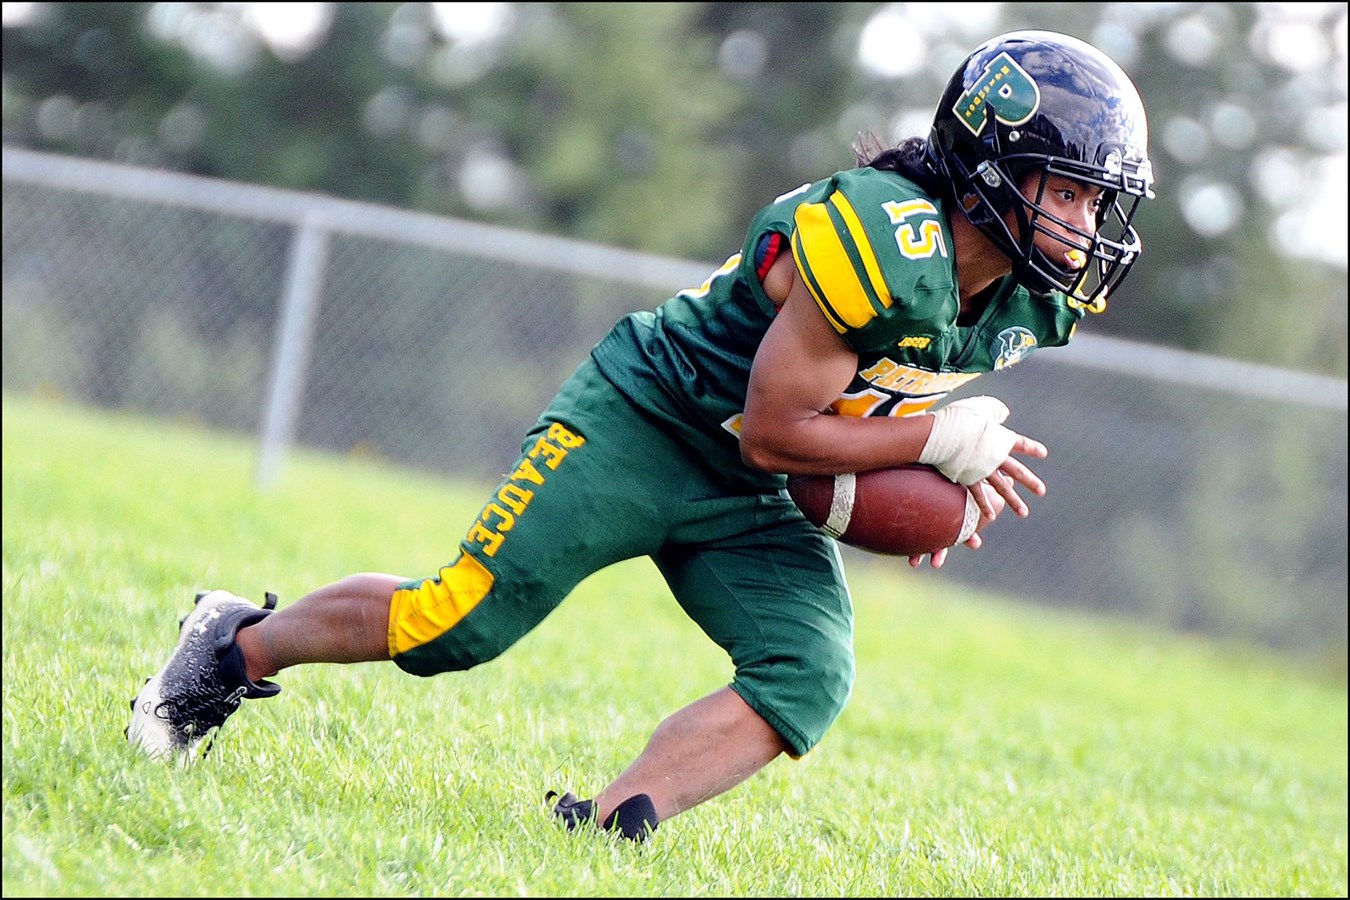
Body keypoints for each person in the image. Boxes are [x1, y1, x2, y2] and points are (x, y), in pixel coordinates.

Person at [126, 30, 1154, 842]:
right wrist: (930, 443)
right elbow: (772, 427)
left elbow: (845, 414)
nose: (1083, 224)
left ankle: (605, 828)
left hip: (758, 483)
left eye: (1094, 200)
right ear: (988, 169)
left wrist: (904, 478)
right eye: (1065, 191)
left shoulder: (1026, 298)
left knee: (808, 672)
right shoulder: (886, 235)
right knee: (455, 627)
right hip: (654, 419)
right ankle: (228, 647)